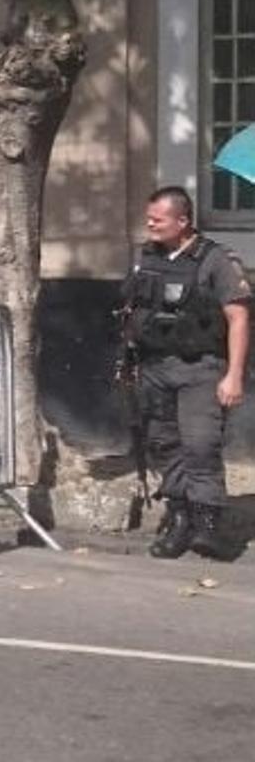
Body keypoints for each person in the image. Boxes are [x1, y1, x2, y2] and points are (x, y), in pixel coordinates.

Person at [122, 186, 251, 561]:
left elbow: (239, 317)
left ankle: (208, 526)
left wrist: (234, 375)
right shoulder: (145, 258)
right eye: (149, 218)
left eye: (157, 219)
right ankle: (179, 521)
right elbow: (132, 311)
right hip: (155, 367)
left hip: (201, 369)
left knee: (200, 445)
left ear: (183, 221)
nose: (149, 224)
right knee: (165, 445)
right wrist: (129, 361)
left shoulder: (217, 260)